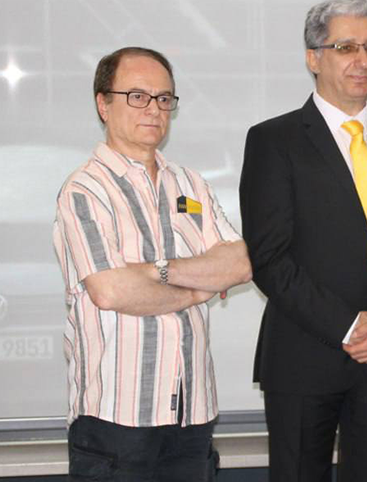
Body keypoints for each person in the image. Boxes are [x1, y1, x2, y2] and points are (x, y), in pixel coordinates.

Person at [239, 0, 367, 482]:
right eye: (346, 47)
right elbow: (270, 258)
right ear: (314, 58)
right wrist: (349, 326)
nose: (362, 60)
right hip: (304, 358)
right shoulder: (274, 140)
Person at [53, 46, 251, 481]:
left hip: (191, 412)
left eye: (164, 98)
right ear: (103, 104)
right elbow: (111, 291)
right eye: (138, 96)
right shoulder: (85, 191)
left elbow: (239, 262)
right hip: (116, 420)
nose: (154, 109)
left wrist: (156, 271)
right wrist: (197, 288)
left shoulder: (191, 184)